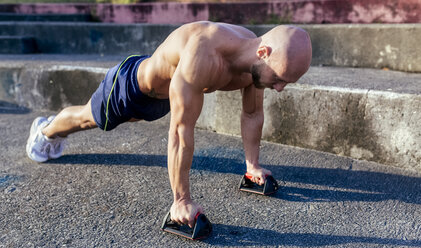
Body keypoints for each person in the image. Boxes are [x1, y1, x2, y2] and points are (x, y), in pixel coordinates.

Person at [26, 21, 312, 228]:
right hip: (132, 89)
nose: (279, 88)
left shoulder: (254, 62)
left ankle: (50, 128)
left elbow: (252, 114)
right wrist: (181, 201)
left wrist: (253, 166)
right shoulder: (205, 52)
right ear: (264, 52)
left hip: (170, 96)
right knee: (86, 118)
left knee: (145, 113)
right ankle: (46, 130)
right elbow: (180, 130)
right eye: (279, 78)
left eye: (286, 82)